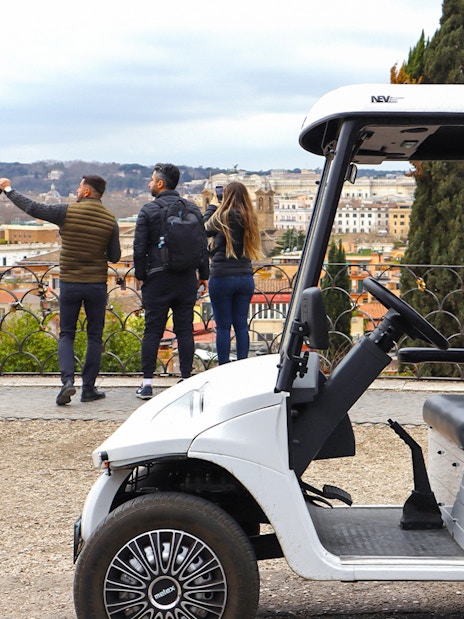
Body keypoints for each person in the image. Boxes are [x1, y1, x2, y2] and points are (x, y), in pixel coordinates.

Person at [0, 175, 121, 405]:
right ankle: (89, 389)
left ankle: (67, 382)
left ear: (86, 192)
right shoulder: (110, 219)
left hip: (70, 282)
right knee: (95, 336)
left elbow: (33, 208)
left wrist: (8, 189)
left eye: (79, 186)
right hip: (96, 284)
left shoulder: (67, 212)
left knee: (66, 333)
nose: (76, 189)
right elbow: (114, 256)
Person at [133, 163, 209, 399]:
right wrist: (203, 275)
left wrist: (141, 276)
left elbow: (139, 249)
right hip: (186, 278)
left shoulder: (148, 210)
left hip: (157, 278)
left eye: (151, 180)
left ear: (160, 183)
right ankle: (185, 380)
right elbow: (202, 245)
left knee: (153, 330)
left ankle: (147, 384)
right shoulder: (193, 209)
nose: (149, 183)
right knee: (184, 330)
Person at [203, 181, 262, 365]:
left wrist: (213, 204)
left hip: (222, 275)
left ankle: (223, 368)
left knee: (223, 327)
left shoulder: (223, 216)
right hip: (245, 276)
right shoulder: (250, 218)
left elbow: (204, 227)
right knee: (241, 325)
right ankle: (243, 366)